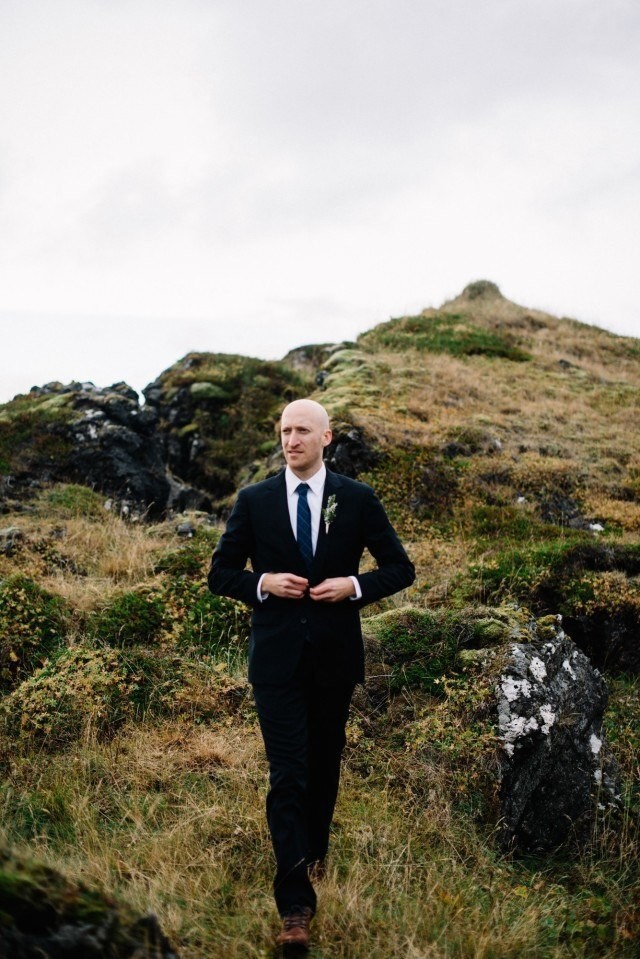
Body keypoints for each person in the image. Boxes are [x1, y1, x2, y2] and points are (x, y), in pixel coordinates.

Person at [207, 398, 415, 950]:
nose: (290, 439)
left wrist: (355, 587)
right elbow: (220, 573)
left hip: (333, 659)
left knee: (323, 769)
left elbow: (401, 567)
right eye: (283, 431)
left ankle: (314, 856)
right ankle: (295, 905)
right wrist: (262, 583)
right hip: (275, 663)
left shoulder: (356, 498)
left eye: (302, 430)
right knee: (289, 774)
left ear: (326, 438)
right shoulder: (255, 500)